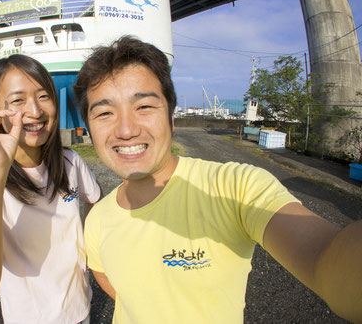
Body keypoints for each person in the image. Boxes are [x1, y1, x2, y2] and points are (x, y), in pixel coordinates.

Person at [73, 36, 362, 323]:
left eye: (145, 107)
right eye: (105, 113)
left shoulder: (235, 186)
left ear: (171, 119)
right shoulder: (98, 219)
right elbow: (107, 278)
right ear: (89, 130)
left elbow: (326, 260)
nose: (125, 129)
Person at [0, 54, 101, 324]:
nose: (35, 111)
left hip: (81, 310)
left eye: (44, 96)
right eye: (18, 100)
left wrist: (90, 248)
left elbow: (97, 202)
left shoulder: (70, 161)